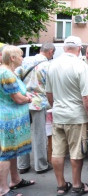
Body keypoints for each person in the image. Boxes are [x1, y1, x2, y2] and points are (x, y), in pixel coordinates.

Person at [45, 36, 88, 196]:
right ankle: (77, 185)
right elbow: (87, 97)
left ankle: (61, 185)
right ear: (79, 48)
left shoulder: (52, 65)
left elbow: (49, 93)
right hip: (76, 116)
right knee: (76, 152)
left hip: (58, 114)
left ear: (64, 48)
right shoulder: (81, 65)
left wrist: (56, 107)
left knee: (57, 152)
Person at [0, 45, 35, 196]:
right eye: (21, 55)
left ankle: (15, 180)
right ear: (13, 58)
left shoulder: (9, 71)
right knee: (6, 153)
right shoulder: (5, 73)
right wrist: (28, 99)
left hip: (12, 118)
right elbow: (17, 98)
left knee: (12, 151)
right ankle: (3, 189)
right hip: (9, 119)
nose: (23, 58)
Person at [16, 42, 55, 175]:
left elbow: (15, 77)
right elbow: (51, 87)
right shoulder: (48, 66)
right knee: (39, 134)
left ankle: (22, 165)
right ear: (50, 52)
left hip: (22, 100)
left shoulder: (25, 60)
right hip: (39, 102)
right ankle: (40, 165)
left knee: (22, 134)